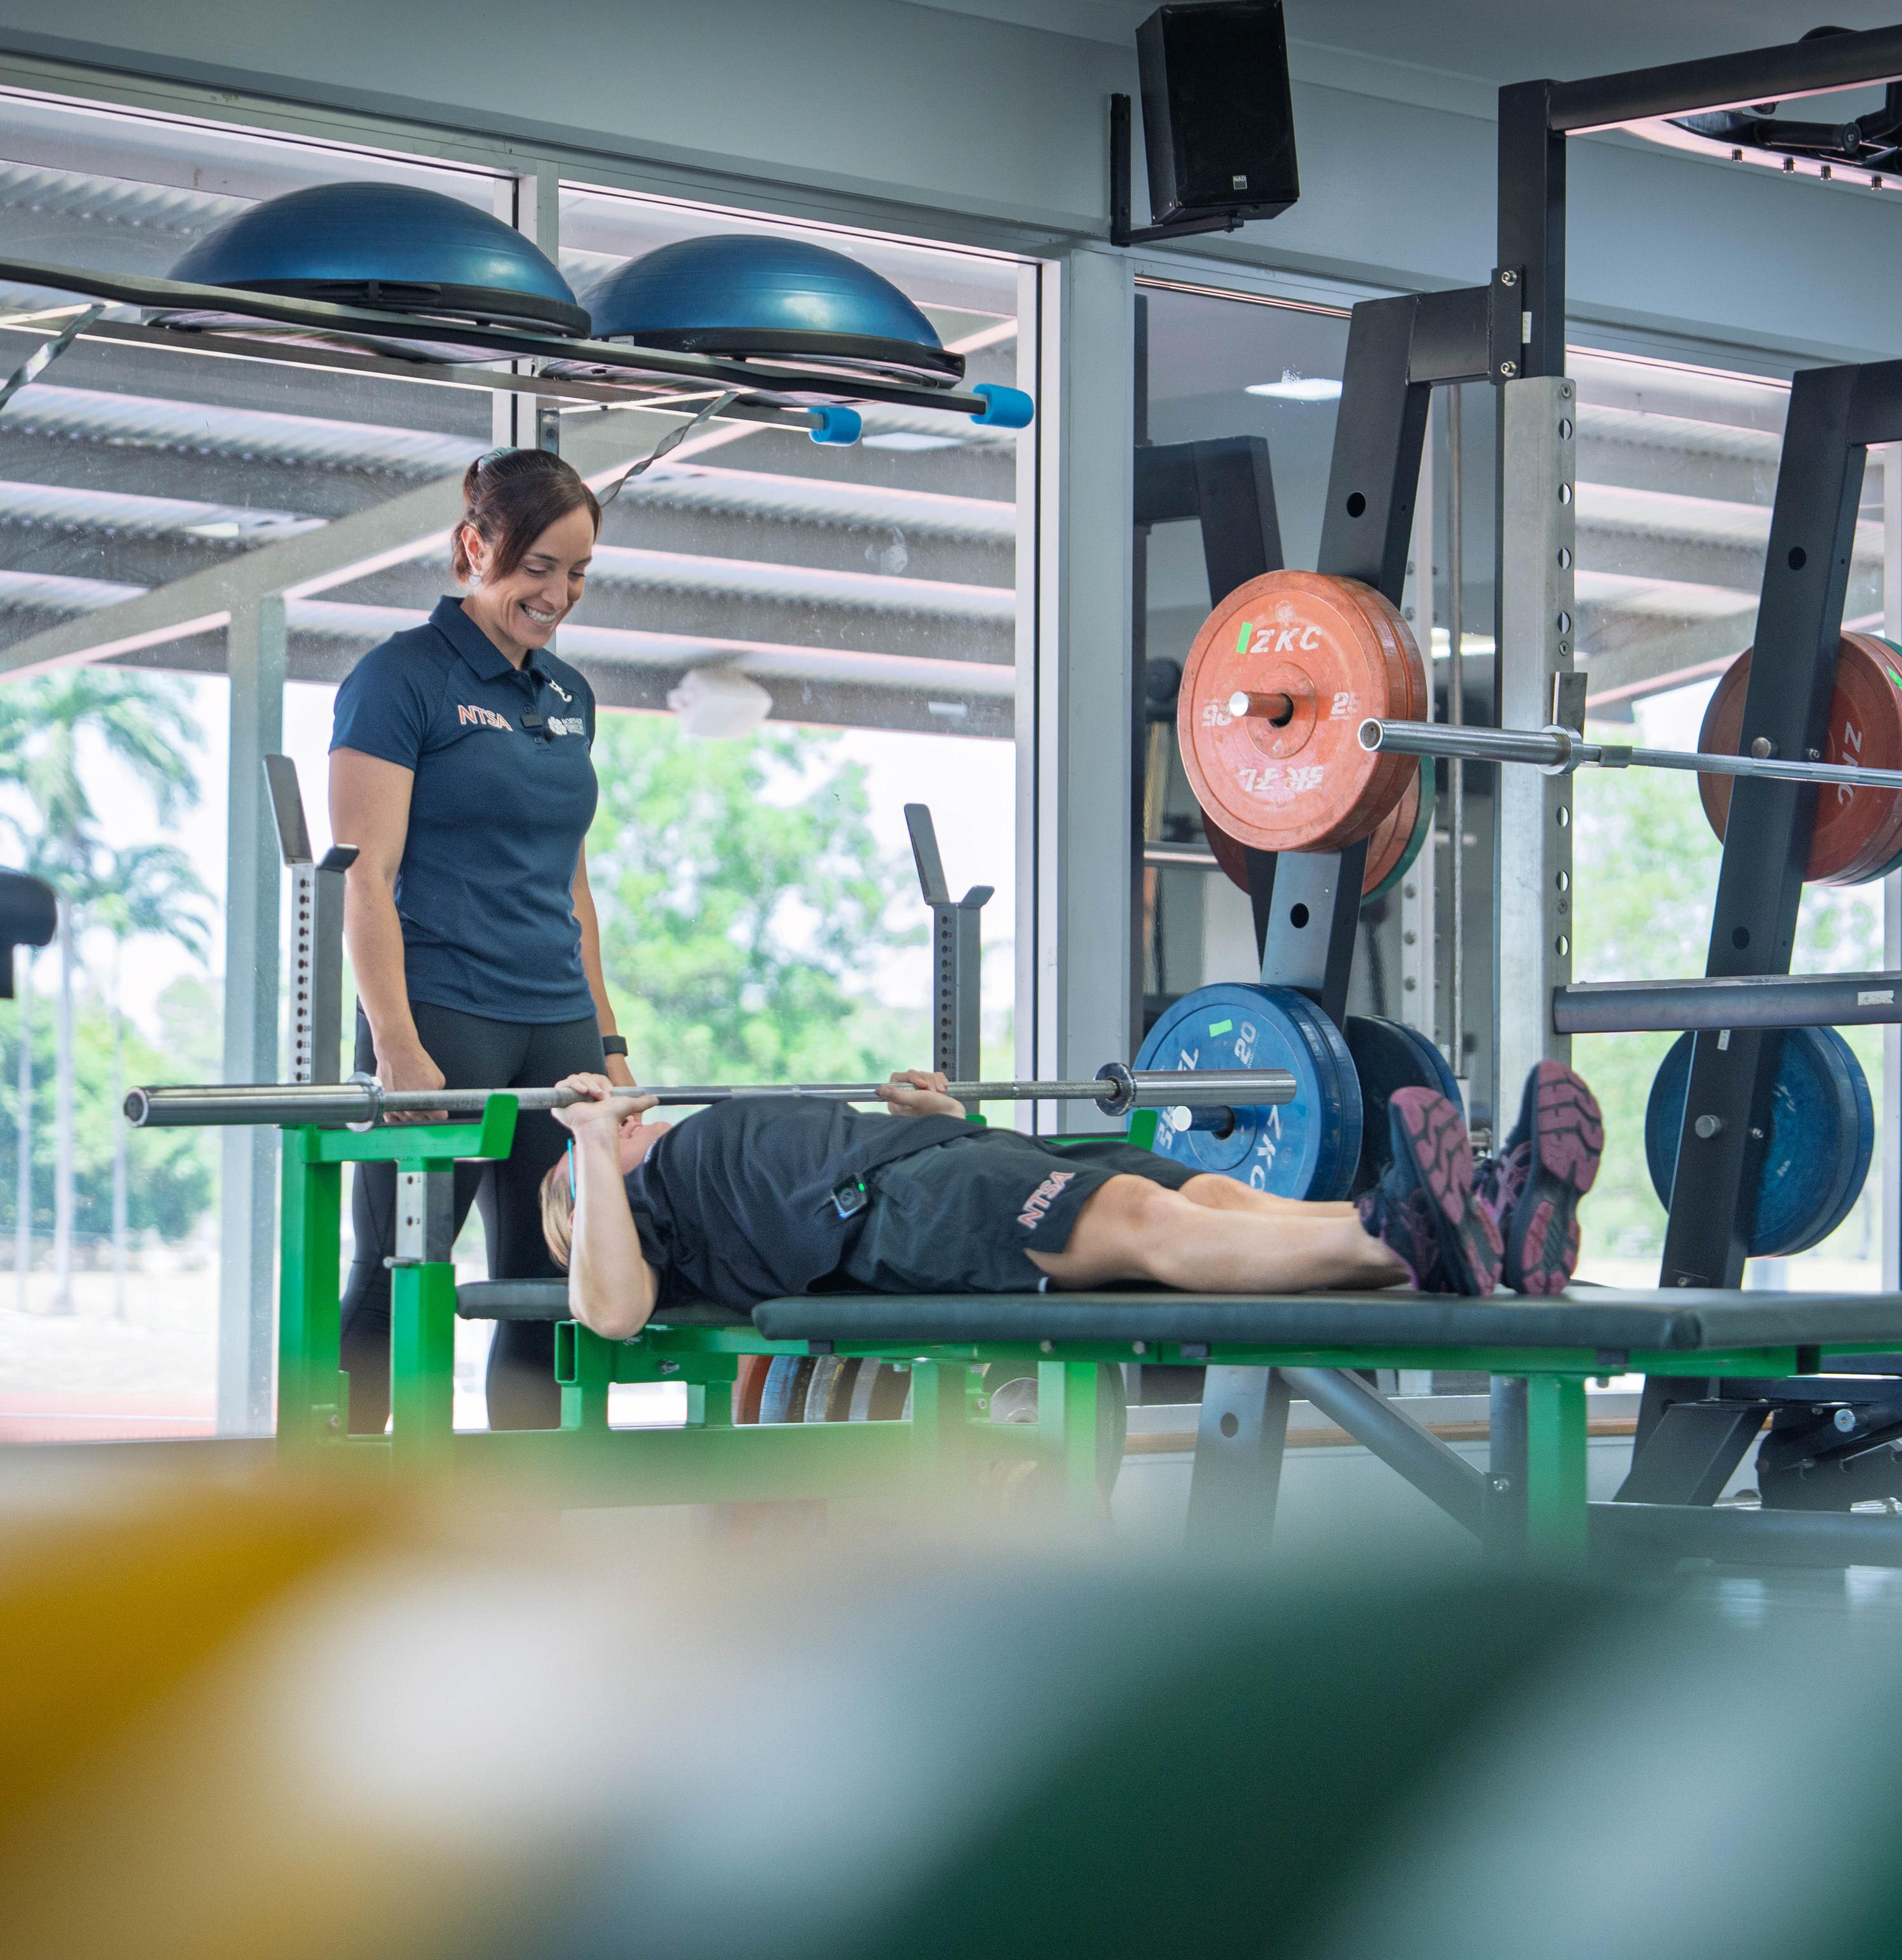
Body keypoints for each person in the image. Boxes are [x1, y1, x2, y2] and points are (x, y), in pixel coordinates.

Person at [330, 447, 630, 1429]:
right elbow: (364, 876)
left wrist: (609, 1039)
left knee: (551, 1289)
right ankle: (332, 1496)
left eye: (578, 572)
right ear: (474, 547)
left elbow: (572, 885)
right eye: (539, 566)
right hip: (444, 1017)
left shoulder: (571, 695)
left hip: (558, 1026)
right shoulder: (399, 679)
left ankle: (523, 1510)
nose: (559, 594)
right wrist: (397, 1045)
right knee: (396, 1275)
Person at [539, 1063, 1605, 1339]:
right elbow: (613, 1309)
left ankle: (1482, 1216)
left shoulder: (696, 1155)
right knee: (1151, 1225)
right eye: (604, 1141)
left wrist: (937, 1114)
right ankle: (1406, 1235)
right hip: (904, 1207)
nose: (625, 1118)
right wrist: (584, 1150)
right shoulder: (641, 1204)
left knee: (1210, 1192)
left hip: (950, 1159)